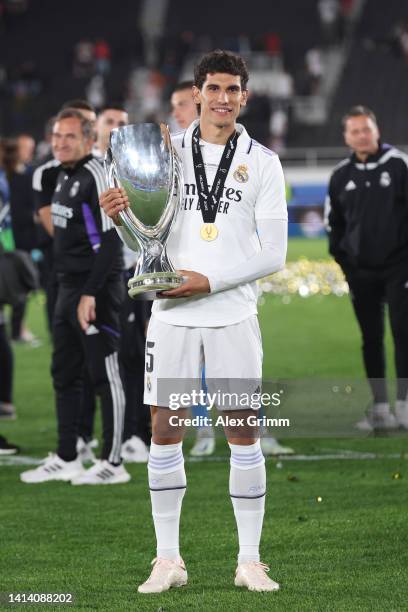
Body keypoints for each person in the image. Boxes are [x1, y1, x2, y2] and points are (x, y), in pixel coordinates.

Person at [101, 50, 287, 592]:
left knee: (242, 429)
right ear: (197, 93)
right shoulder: (164, 153)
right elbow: (145, 245)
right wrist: (119, 220)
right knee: (165, 430)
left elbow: (274, 253)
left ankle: (250, 559)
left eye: (233, 89)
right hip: (173, 316)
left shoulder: (264, 162)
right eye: (213, 88)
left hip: (232, 313)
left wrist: (210, 280)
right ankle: (168, 560)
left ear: (244, 96)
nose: (222, 98)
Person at [20, 109, 129, 485]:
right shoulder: (63, 176)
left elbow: (113, 241)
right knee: (63, 373)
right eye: (56, 136)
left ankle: (113, 463)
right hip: (67, 287)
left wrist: (90, 293)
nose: (60, 143)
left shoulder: (97, 173)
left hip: (94, 290)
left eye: (69, 136)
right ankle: (68, 456)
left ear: (87, 138)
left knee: (104, 375)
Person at [325, 105, 408, 431]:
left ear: (376, 130)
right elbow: (335, 227)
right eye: (355, 130)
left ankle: (404, 404)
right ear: (346, 136)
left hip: (400, 268)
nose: (362, 135)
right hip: (361, 272)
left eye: (366, 129)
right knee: (370, 338)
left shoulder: (400, 165)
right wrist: (347, 265)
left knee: (403, 333)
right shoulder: (340, 176)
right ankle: (381, 407)